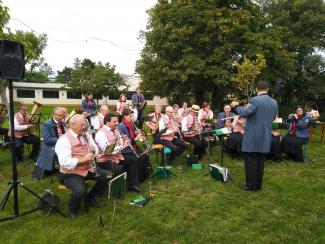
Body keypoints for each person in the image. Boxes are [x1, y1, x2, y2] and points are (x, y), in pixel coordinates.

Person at [55, 114, 107, 219]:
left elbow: (95, 148)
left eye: (85, 124)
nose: (84, 127)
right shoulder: (63, 140)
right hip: (70, 173)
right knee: (80, 190)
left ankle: (91, 197)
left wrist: (94, 152)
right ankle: (72, 210)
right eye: (82, 125)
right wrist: (83, 159)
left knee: (107, 175)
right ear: (72, 125)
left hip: (88, 168)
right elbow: (64, 162)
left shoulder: (86, 134)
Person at [231, 80, 278, 192]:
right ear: (267, 89)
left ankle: (251, 185)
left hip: (253, 136)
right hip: (265, 136)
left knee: (250, 161)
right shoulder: (274, 102)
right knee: (260, 162)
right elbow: (272, 118)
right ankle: (258, 185)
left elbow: (245, 113)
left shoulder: (255, 100)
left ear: (257, 89)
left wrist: (236, 106)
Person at [118, 109, 151, 192]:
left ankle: (144, 176)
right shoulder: (121, 126)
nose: (131, 118)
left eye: (132, 116)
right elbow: (126, 140)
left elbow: (135, 132)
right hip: (126, 148)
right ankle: (136, 181)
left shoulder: (131, 124)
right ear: (124, 116)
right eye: (130, 116)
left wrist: (139, 133)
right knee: (139, 158)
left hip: (133, 146)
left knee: (145, 155)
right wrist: (136, 138)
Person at [32, 107, 66, 180]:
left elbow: (65, 133)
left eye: (62, 115)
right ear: (54, 114)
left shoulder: (62, 122)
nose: (61, 117)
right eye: (59, 115)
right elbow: (47, 140)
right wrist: (61, 139)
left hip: (62, 144)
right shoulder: (47, 124)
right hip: (51, 146)